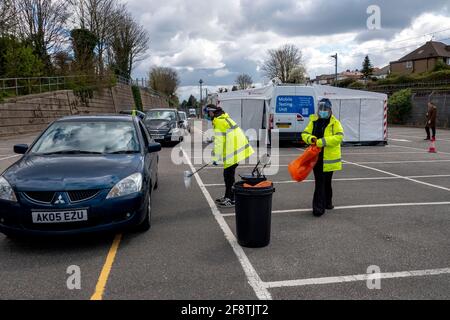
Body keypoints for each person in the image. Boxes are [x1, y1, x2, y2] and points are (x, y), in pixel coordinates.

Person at [204, 104, 254, 208]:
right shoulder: (222, 118)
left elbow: (219, 141)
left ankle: (231, 199)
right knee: (228, 175)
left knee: (228, 176)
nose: (208, 115)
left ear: (212, 112)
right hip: (235, 149)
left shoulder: (219, 121)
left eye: (208, 113)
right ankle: (228, 196)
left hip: (235, 151)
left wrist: (216, 158)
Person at [301, 98, 345, 217]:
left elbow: (339, 137)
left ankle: (327, 203)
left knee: (326, 182)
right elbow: (304, 134)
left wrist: (322, 141)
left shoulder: (335, 123)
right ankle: (319, 208)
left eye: (325, 109)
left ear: (330, 110)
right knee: (320, 182)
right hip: (317, 158)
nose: (322, 111)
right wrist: (311, 139)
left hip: (329, 158)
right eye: (321, 109)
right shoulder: (314, 121)